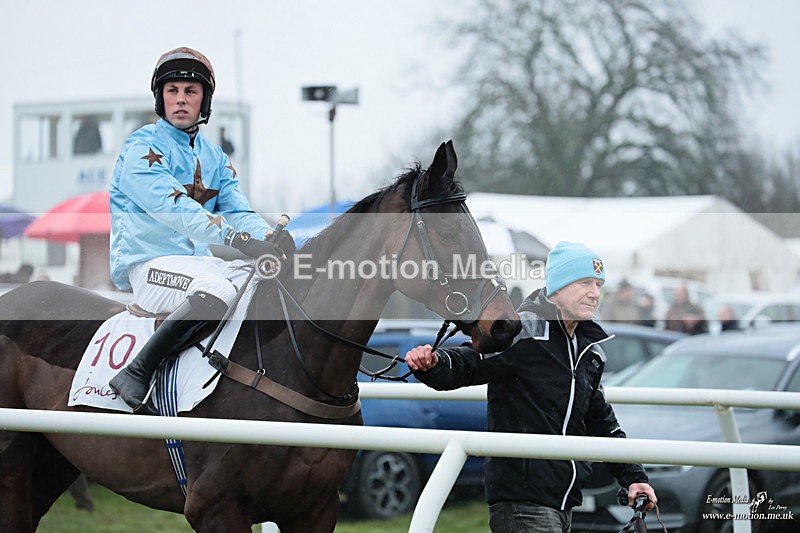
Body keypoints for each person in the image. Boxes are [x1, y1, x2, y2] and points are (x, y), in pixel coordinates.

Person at [406, 241, 657, 532]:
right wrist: (433, 363)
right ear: (558, 288)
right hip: (523, 501)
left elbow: (600, 420)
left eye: (598, 284)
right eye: (585, 283)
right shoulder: (523, 330)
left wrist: (634, 477)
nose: (594, 293)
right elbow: (470, 363)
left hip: (563, 501)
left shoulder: (590, 350)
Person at [107, 47, 294, 413]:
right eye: (172, 90)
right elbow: (176, 209)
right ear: (160, 98)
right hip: (150, 267)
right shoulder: (141, 148)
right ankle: (137, 370)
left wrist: (268, 237)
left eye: (190, 92)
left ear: (204, 101)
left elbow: (238, 208)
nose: (180, 100)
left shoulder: (214, 157)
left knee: (262, 277)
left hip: (197, 265)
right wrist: (238, 240)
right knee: (218, 288)